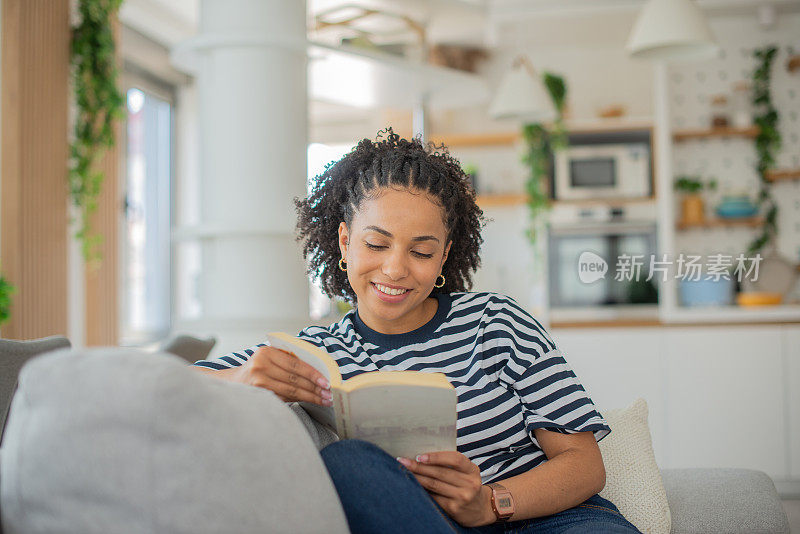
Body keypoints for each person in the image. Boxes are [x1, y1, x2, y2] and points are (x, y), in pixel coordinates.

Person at [193, 130, 641, 533]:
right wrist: (242, 377)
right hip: (427, 524)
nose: (395, 269)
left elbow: (584, 464)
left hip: (550, 522)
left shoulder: (497, 321)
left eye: (421, 252)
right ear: (345, 242)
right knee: (347, 464)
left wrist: (490, 503)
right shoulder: (318, 351)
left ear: (445, 256)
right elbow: (170, 378)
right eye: (376, 244)